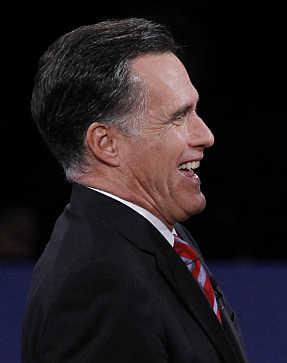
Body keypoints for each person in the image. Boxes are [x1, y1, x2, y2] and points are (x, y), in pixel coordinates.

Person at [22, 18, 248, 363]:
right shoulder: (96, 282)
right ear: (106, 143)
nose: (205, 135)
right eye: (178, 117)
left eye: (195, 110)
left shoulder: (154, 236)